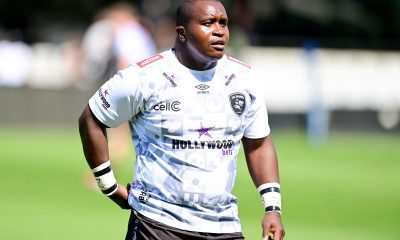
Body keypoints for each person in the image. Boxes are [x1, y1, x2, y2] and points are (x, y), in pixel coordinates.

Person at [78, 0, 285, 239]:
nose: (219, 31)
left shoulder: (244, 79)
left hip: (224, 226)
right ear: (182, 33)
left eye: (223, 23)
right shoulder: (144, 77)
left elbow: (258, 143)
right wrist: (109, 186)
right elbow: (91, 118)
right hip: (156, 224)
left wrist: (272, 207)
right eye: (208, 23)